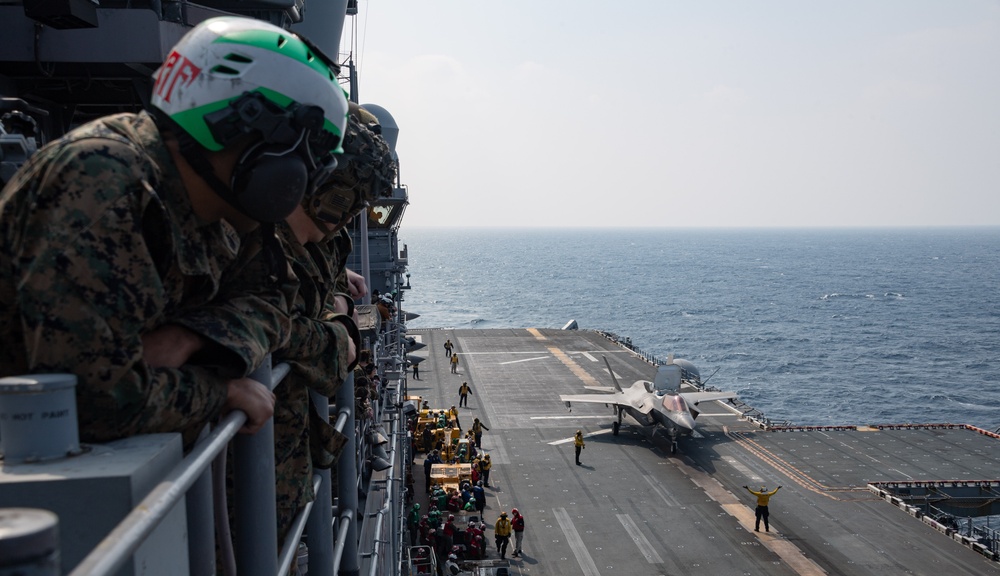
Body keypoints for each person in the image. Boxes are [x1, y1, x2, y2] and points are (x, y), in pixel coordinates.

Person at [0, 16, 352, 447]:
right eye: (306, 154)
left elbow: (275, 299)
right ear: (240, 125)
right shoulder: (103, 180)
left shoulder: (218, 204)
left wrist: (192, 337)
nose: (308, 178)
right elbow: (92, 401)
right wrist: (217, 393)